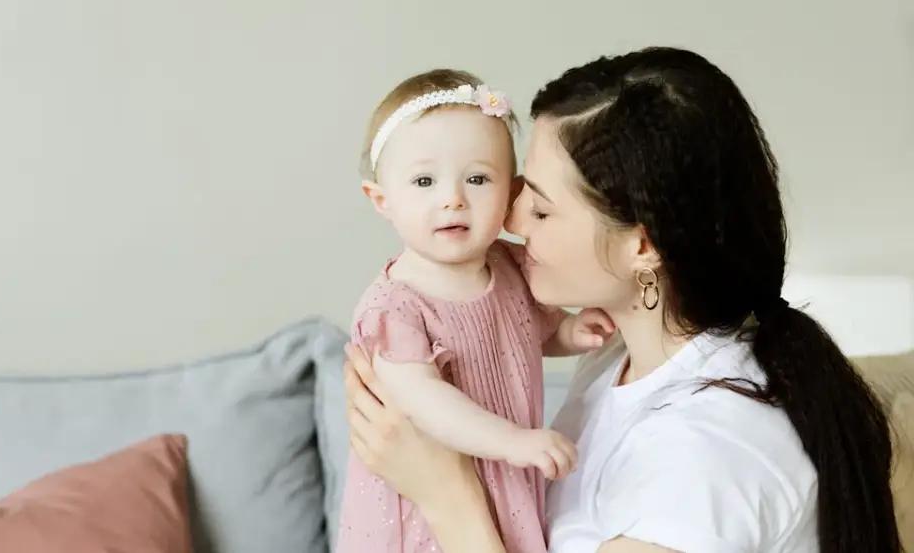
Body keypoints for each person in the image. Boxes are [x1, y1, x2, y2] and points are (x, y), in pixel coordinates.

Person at [342, 48, 900, 553]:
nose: (508, 222)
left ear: (641, 244)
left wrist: (446, 494)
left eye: (538, 208)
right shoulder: (620, 357)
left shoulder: (704, 460)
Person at [337, 69, 617, 553]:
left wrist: (568, 332)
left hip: (503, 480)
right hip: (427, 498)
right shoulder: (394, 308)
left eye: (477, 178)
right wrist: (513, 441)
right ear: (382, 200)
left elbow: (524, 334)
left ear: (511, 194)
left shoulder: (510, 266)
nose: (453, 198)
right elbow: (422, 401)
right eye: (424, 180)